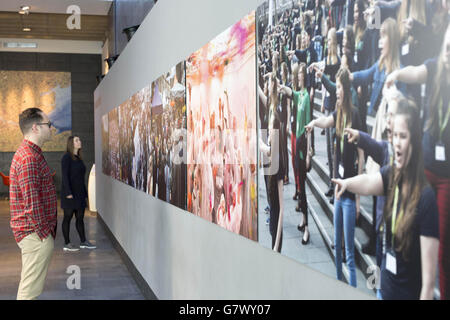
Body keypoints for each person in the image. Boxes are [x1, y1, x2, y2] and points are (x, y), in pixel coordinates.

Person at [332, 100, 439, 300]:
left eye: (403, 136)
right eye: (395, 136)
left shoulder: (426, 199)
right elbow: (369, 181)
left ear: (415, 141)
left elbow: (428, 285)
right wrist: (347, 183)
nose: (396, 142)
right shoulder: (392, 175)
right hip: (384, 289)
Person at [384, 24, 450, 300]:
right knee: (410, 226)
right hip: (425, 165)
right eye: (446, 47)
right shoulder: (435, 67)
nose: (447, 53)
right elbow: (415, 73)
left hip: (447, 176)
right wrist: (396, 73)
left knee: (442, 246)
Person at [306, 67, 365, 287]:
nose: (336, 91)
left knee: (349, 253)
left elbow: (361, 154)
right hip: (338, 193)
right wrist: (313, 123)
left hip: (349, 192)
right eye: (336, 87)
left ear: (346, 89)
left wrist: (358, 198)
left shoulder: (355, 114)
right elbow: (326, 121)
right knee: (337, 245)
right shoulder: (338, 112)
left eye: (339, 87)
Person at [9, 108, 57, 300]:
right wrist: (44, 234)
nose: (51, 128)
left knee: (30, 287)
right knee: (29, 291)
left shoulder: (30, 153)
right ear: (36, 128)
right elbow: (32, 203)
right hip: (34, 234)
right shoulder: (29, 157)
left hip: (33, 233)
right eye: (49, 125)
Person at [280, 63, 311, 245]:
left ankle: (307, 229)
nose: (299, 76)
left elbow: (308, 129)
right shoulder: (299, 95)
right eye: (297, 73)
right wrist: (282, 87)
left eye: (301, 73)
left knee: (304, 189)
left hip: (302, 147)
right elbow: (290, 92)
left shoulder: (306, 97)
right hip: (297, 144)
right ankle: (304, 220)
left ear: (304, 76)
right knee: (300, 187)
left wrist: (308, 154)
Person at [259, 72, 285, 252]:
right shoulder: (270, 107)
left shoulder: (278, 166)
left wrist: (276, 247)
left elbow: (282, 209)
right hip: (273, 230)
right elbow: (262, 96)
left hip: (277, 242)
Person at [61, 136, 96, 251]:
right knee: (67, 217)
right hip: (70, 194)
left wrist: (84, 194)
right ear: (71, 143)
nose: (79, 141)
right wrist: (68, 193)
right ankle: (67, 243)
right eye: (76, 140)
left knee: (80, 218)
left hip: (80, 193)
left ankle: (83, 241)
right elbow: (65, 177)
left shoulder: (79, 158)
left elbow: (80, 178)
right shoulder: (66, 157)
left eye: (79, 140)